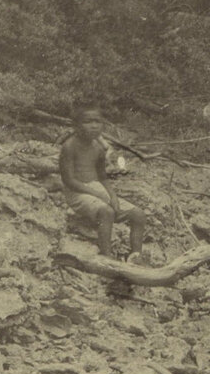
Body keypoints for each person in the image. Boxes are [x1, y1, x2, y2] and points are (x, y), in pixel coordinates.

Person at [59, 105, 148, 262]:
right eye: (88, 121)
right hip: (77, 193)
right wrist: (98, 194)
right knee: (107, 212)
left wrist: (112, 196)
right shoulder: (69, 147)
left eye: (97, 121)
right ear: (77, 125)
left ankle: (136, 256)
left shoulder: (99, 148)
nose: (94, 126)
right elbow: (69, 180)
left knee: (138, 214)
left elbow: (102, 177)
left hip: (97, 189)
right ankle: (107, 258)